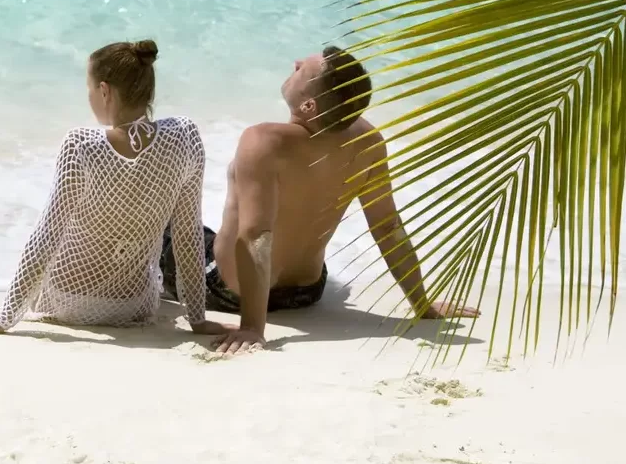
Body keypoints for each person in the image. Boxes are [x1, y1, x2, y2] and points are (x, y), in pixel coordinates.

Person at [161, 46, 478, 355]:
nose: (296, 63)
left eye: (302, 70)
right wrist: (421, 302)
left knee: (162, 225)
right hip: (308, 291)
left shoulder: (264, 141)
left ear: (309, 106)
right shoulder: (368, 141)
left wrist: (252, 327)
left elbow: (258, 236)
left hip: (232, 292)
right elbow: (387, 226)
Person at [0, 40, 225, 338]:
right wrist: (197, 319)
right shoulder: (184, 137)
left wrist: (3, 319)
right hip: (133, 306)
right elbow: (188, 234)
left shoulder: (82, 144)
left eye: (89, 89)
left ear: (104, 91)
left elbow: (47, 235)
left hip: (66, 302)